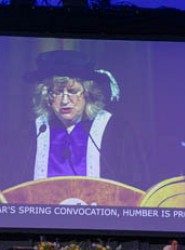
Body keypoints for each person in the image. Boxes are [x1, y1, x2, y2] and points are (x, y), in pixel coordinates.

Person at [2, 49, 148, 192]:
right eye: (57, 92)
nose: (65, 101)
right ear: (46, 96)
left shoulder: (117, 133)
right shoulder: (30, 135)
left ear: (88, 94)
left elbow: (135, 189)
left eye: (72, 91)